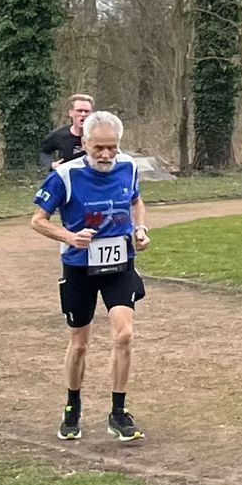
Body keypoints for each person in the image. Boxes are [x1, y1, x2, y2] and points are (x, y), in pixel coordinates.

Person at [30, 109, 150, 445]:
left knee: (124, 335)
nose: (106, 155)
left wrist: (140, 229)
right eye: (99, 148)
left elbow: (137, 202)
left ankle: (118, 412)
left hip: (119, 265)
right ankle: (72, 407)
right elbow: (37, 221)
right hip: (79, 268)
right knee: (80, 344)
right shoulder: (65, 176)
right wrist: (70, 237)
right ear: (84, 144)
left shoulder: (128, 167)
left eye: (112, 147)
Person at [40, 93, 94, 169]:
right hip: (67, 175)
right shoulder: (59, 135)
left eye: (87, 111)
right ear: (71, 113)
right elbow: (44, 152)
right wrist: (51, 165)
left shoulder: (98, 135)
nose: (83, 114)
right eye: (79, 111)